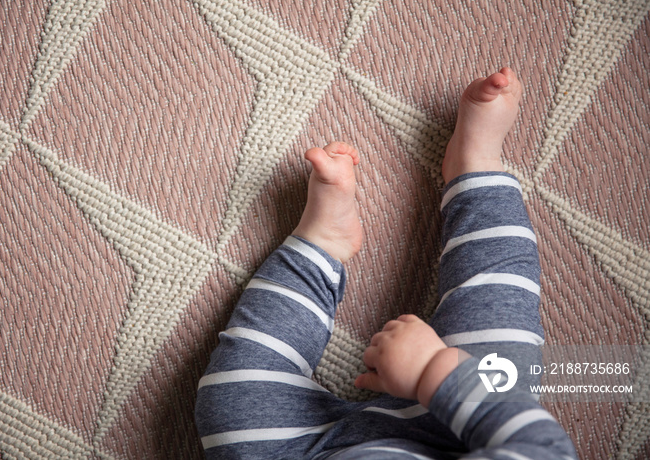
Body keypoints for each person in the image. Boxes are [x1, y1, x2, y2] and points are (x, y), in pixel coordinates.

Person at [195, 68, 578, 459]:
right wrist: (433, 370)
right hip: (457, 427)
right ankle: (474, 167)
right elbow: (541, 448)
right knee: (499, 338)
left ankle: (321, 243)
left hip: (301, 451)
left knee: (232, 406)